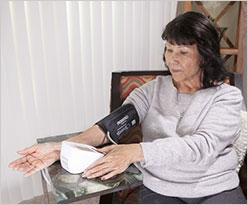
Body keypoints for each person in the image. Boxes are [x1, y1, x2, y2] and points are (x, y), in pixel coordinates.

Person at [9, 11, 246, 204]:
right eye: (169, 49)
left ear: (204, 56)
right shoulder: (152, 90)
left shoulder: (226, 97)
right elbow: (111, 126)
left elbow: (201, 146)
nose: (172, 59)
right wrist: (60, 148)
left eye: (183, 52)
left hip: (215, 189)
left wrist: (136, 151)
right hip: (160, 189)